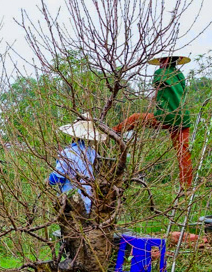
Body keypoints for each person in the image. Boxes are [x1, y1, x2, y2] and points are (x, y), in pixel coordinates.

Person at [113, 55, 193, 189]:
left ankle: (112, 131)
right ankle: (186, 188)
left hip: (166, 116)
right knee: (184, 155)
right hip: (183, 119)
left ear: (166, 60)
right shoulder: (180, 75)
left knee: (135, 118)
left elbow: (155, 93)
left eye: (162, 60)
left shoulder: (160, 73)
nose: (160, 63)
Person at [47, 117, 106, 215]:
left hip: (72, 204)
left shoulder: (67, 153)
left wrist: (48, 181)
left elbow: (57, 178)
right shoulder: (93, 153)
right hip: (91, 203)